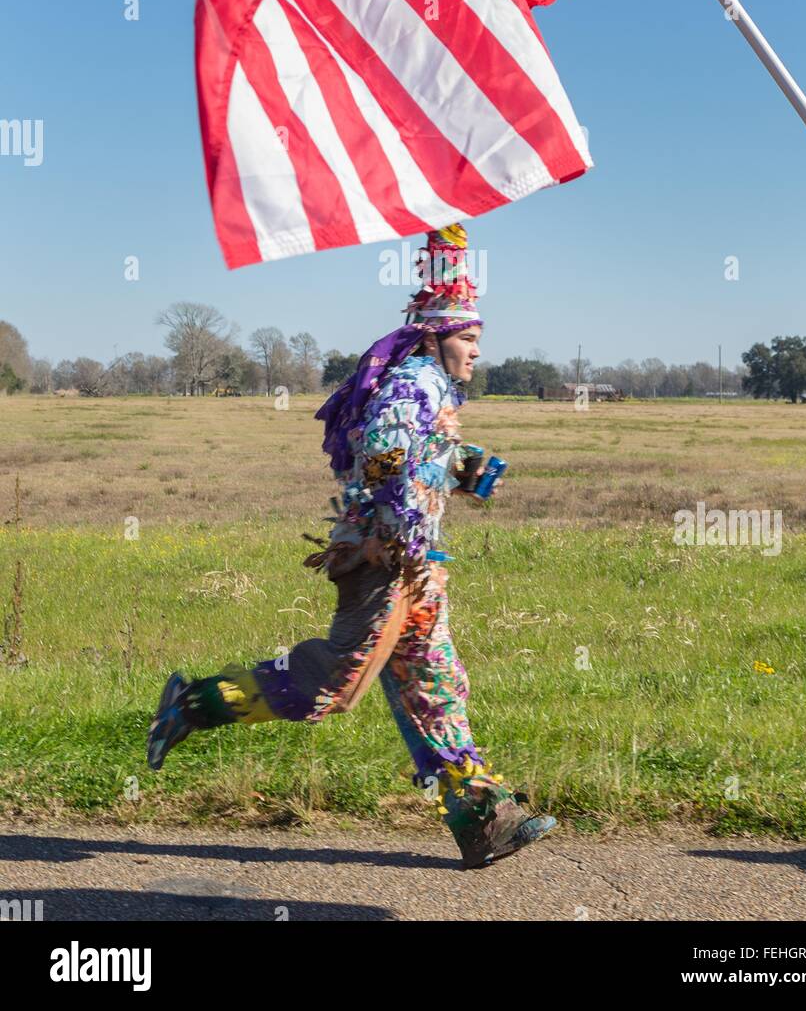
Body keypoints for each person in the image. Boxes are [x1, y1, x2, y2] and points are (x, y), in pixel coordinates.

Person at [146, 225, 556, 869]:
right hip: (383, 561)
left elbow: (410, 455)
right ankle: (192, 705)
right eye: (470, 339)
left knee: (436, 684)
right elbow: (380, 459)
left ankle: (484, 819)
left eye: (478, 339)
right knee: (335, 685)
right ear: (434, 337)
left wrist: (459, 466)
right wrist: (406, 523)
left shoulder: (433, 386)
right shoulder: (415, 384)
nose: (477, 352)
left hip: (414, 567)